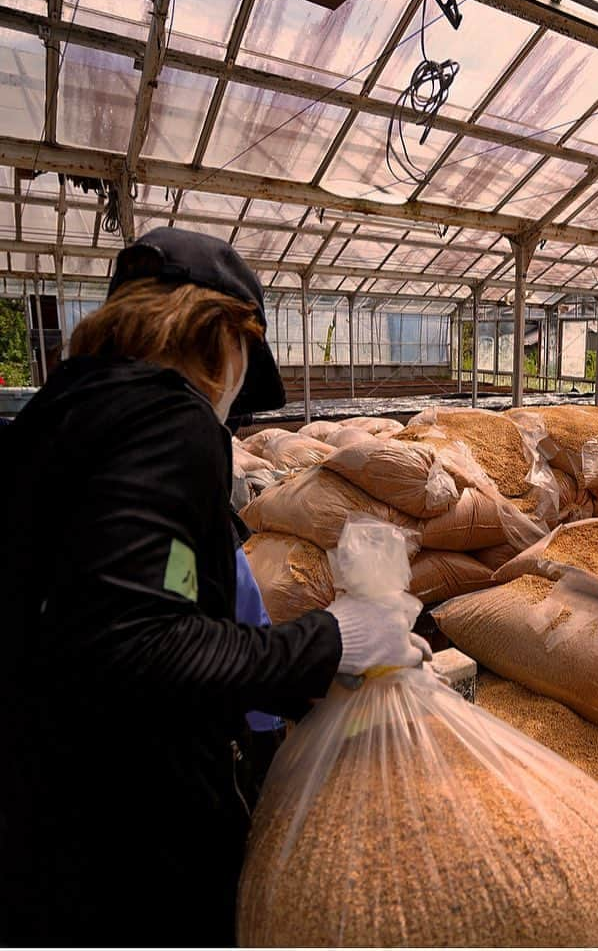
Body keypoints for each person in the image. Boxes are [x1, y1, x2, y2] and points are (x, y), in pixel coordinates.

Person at [0, 227, 430, 946]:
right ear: (223, 334)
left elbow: (113, 611)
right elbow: (134, 645)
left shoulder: (52, 417)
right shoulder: (169, 418)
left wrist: (301, 680)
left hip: (39, 816)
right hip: (129, 844)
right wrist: (334, 637)